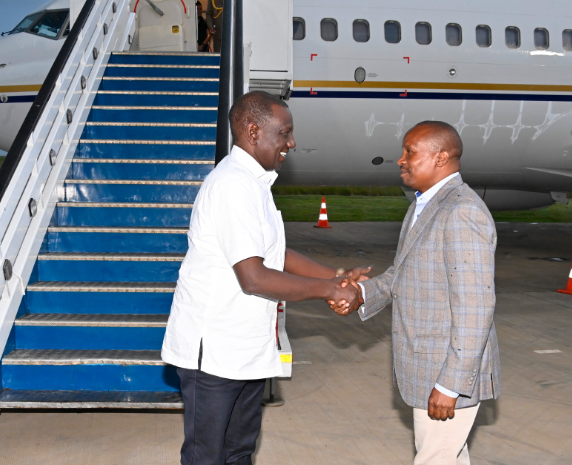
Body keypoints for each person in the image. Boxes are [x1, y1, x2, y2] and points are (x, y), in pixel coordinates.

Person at [162, 90, 369, 465]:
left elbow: (277, 253)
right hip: (215, 356)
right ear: (254, 131)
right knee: (206, 457)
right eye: (285, 133)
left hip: (246, 349)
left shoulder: (256, 184)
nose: (292, 142)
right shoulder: (232, 185)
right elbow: (253, 277)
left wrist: (337, 277)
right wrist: (328, 291)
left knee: (239, 451)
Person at [332, 121, 501, 465]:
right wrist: (363, 293)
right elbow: (401, 273)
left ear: (440, 158)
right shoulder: (422, 206)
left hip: (445, 373)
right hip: (426, 368)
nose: (400, 159)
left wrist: (451, 385)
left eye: (410, 152)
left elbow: (475, 306)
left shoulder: (461, 211)